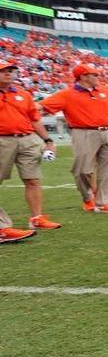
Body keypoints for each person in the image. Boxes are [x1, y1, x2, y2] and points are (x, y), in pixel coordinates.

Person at [39, 63, 108, 213]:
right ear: (83, 77)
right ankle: (88, 198)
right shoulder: (66, 94)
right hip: (84, 133)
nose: (98, 77)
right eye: (94, 74)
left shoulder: (104, 91)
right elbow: (39, 107)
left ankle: (103, 202)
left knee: (106, 169)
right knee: (82, 170)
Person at [0, 59, 60, 230]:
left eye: (10, 70)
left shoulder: (23, 94)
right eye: (3, 70)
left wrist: (48, 140)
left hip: (27, 139)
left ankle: (36, 218)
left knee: (33, 179)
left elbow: (35, 119)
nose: (8, 73)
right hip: (2, 140)